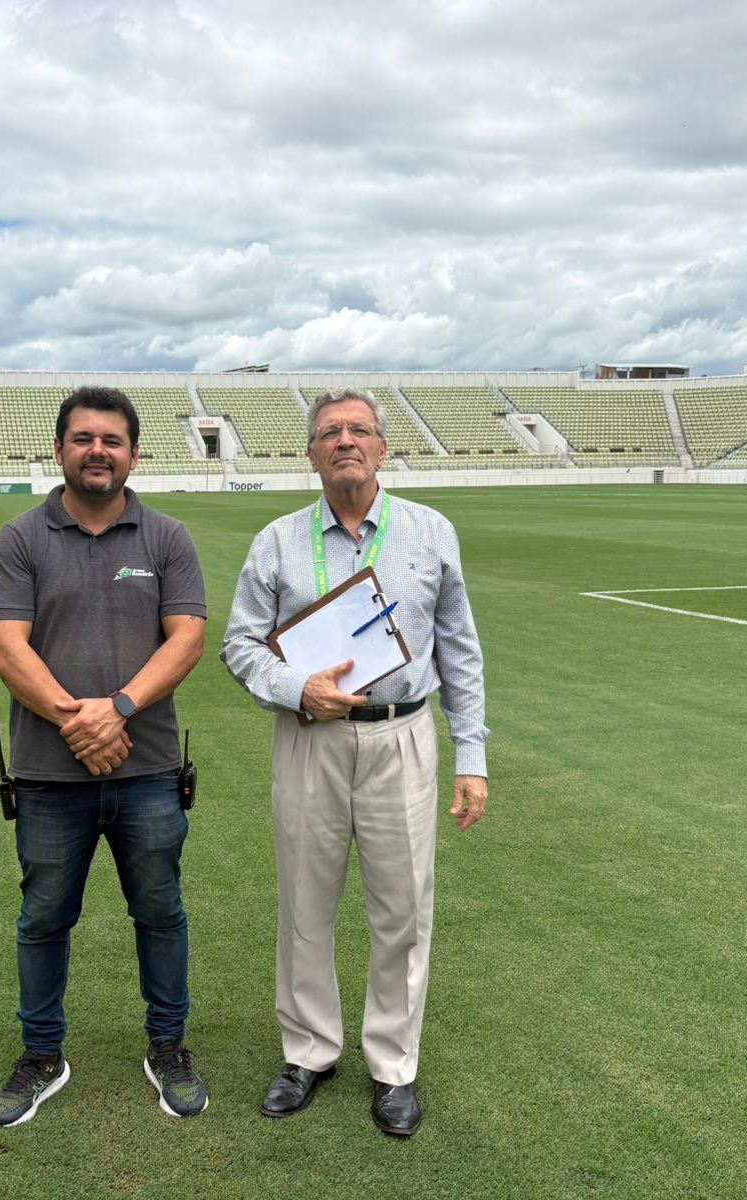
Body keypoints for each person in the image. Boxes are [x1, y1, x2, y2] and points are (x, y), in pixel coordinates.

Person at [220, 388, 489, 1138]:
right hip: (309, 736)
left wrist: (473, 753)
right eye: (330, 431)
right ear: (311, 453)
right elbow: (239, 644)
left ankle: (393, 1066)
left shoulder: (430, 532)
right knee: (305, 902)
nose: (345, 440)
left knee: (402, 908)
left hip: (403, 735)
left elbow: (460, 650)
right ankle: (309, 1051)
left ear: (382, 447)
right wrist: (292, 687)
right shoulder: (277, 540)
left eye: (359, 430)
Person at [0, 385, 210, 1127]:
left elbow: (187, 640)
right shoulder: (20, 538)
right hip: (49, 777)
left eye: (112, 440)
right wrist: (76, 721)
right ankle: (42, 1054)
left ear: (134, 454)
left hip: (147, 771)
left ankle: (167, 1046)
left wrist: (116, 712)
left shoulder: (167, 538)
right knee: (44, 918)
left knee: (160, 912)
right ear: (60, 450)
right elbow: (4, 646)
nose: (98, 451)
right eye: (83, 439)